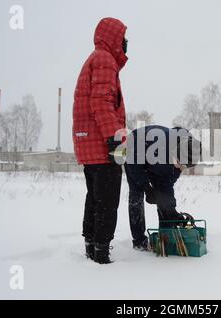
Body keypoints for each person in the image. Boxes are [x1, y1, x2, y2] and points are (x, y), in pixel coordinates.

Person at [72, 17, 128, 264]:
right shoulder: (105, 59)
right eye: (123, 39)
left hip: (89, 144)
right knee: (107, 201)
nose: (125, 44)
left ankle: (91, 246)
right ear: (113, 38)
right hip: (102, 143)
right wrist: (114, 137)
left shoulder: (94, 59)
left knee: (94, 197)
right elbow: (102, 102)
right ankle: (101, 253)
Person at [123, 125, 202, 250]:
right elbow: (134, 168)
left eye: (184, 166)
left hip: (160, 162)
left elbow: (166, 187)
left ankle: (166, 233)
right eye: (180, 164)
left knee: (163, 195)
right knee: (136, 195)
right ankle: (139, 240)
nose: (181, 168)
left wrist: (172, 212)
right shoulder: (158, 145)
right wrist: (147, 188)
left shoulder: (187, 150)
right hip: (134, 151)